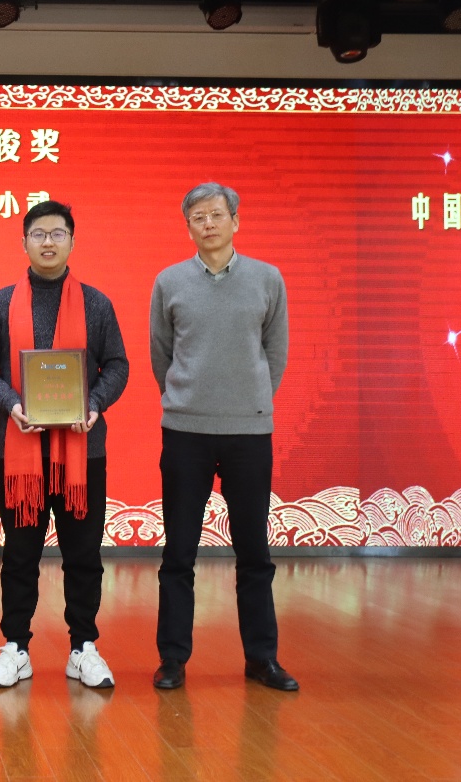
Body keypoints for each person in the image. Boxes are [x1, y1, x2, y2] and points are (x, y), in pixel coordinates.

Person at [0, 201, 129, 690]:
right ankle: (15, 648)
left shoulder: (97, 304)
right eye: (38, 233)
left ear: (72, 242)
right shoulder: (1, 303)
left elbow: (117, 365)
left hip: (83, 451)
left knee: (84, 555)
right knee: (20, 555)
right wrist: (12, 403)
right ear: (24, 242)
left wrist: (94, 404)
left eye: (58, 234)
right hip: (20, 452)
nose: (48, 242)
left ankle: (84, 647)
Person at [149, 182, 297, 692]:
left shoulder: (267, 278)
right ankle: (172, 659)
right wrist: (186, 398)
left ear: (236, 220)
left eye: (216, 214)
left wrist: (251, 400)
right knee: (178, 552)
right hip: (185, 430)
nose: (208, 223)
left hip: (248, 433)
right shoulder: (169, 281)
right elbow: (161, 354)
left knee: (254, 551)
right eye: (198, 217)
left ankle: (262, 658)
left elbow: (275, 351)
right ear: (188, 227)